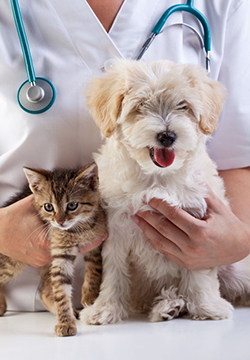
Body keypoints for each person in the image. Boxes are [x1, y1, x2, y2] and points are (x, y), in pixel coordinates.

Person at [0, 0, 249, 311]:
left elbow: (238, 157)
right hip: (24, 312)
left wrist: (239, 239)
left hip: (186, 304)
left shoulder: (224, 5)